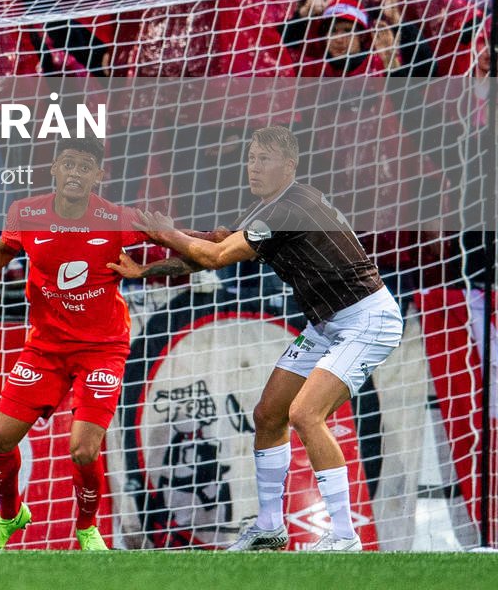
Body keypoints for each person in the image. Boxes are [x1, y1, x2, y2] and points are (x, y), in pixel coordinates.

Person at [118, 126, 404, 553]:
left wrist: (164, 233)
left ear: (289, 166)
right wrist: (146, 271)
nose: (254, 166)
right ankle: (270, 527)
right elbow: (214, 245)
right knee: (270, 413)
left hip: (367, 320)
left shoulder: (290, 208)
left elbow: (214, 257)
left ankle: (345, 536)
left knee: (306, 414)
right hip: (327, 324)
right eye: (251, 157)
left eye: (265, 159)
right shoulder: (270, 209)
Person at [0, 148, 142, 551]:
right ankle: (11, 517)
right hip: (45, 348)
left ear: (98, 175)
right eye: (68, 164)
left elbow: (172, 238)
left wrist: (210, 245)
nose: (75, 173)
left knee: (83, 450)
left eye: (85, 166)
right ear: (54, 169)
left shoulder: (117, 219)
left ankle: (87, 528)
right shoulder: (26, 213)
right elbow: (2, 251)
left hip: (102, 350)